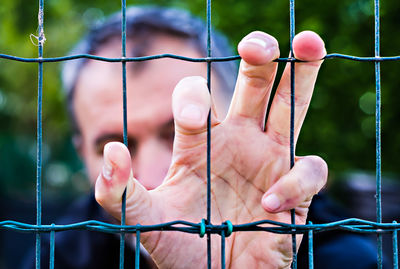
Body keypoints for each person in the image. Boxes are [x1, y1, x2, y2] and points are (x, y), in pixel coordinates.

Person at [23, 6, 381, 269]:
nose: (152, 177)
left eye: (182, 133)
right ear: (81, 152)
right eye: (115, 147)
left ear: (245, 114)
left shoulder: (344, 259)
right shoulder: (53, 258)